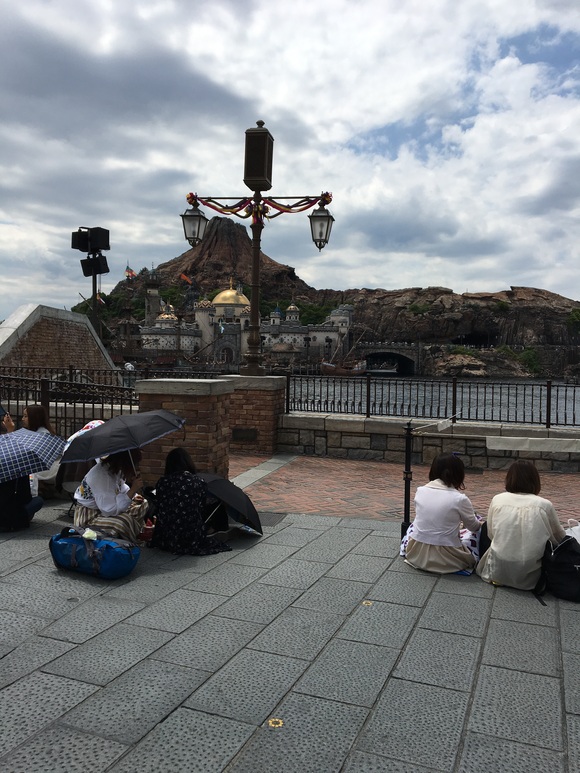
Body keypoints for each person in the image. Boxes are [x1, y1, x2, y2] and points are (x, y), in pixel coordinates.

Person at [477, 460, 566, 590]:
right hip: (530, 578)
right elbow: (558, 539)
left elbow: (491, 534)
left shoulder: (497, 499)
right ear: (535, 480)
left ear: (509, 479)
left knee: (485, 526)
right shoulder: (544, 505)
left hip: (498, 572)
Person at [403, 453, 483, 574]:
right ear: (459, 474)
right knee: (476, 532)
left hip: (416, 553)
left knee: (414, 525)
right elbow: (473, 527)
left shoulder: (420, 491)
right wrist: (481, 523)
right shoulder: (460, 499)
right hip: (447, 558)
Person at [152, 448, 231, 555]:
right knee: (215, 504)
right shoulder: (197, 482)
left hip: (166, 535)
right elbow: (201, 508)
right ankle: (216, 529)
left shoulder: (162, 482)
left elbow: (159, 505)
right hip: (190, 534)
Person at [73, 449, 148, 543]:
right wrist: (132, 490)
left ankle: (132, 532)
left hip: (105, 507)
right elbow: (109, 510)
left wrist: (133, 495)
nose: (136, 467)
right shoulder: (101, 476)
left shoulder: (114, 469)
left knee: (142, 504)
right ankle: (130, 540)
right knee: (124, 521)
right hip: (90, 516)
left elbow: (121, 487)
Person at [2, 405, 60, 497]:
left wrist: (10, 430)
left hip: (48, 468)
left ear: (34, 418)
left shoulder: (42, 434)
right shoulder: (33, 432)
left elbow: (22, 453)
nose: (22, 419)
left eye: (26, 416)